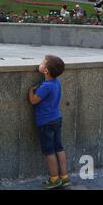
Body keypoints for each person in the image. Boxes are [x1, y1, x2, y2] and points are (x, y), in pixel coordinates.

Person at [28, 55, 70, 189]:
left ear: (45, 70)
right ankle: (64, 177)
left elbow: (34, 100)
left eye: (42, 63)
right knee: (59, 148)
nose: (40, 64)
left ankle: (54, 179)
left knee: (49, 151)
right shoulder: (56, 82)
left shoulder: (45, 86)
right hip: (56, 119)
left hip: (45, 122)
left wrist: (30, 91)